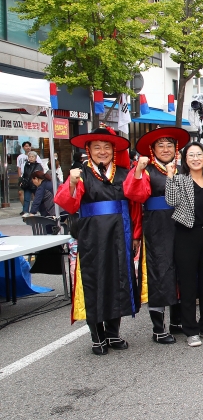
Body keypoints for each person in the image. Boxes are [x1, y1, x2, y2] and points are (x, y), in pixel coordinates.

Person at [54, 128, 141, 355]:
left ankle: (113, 333)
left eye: (107, 147)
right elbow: (68, 203)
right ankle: (97, 335)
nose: (102, 152)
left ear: (114, 150)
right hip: (92, 238)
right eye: (97, 147)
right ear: (88, 150)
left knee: (118, 281)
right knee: (94, 282)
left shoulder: (124, 173)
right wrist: (72, 184)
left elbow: (134, 206)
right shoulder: (80, 174)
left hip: (120, 235)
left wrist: (135, 236)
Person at [123, 127, 191, 344]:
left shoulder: (184, 169)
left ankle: (177, 321)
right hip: (156, 227)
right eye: (160, 145)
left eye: (169, 145)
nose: (165, 149)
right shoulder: (146, 171)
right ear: (152, 149)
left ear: (176, 148)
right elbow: (135, 196)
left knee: (181, 270)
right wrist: (137, 171)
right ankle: (158, 328)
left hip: (181, 225)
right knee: (159, 272)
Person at [163, 142, 203, 347]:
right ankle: (190, 329)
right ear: (185, 159)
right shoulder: (180, 179)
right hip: (186, 236)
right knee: (188, 284)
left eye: (199, 154)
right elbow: (171, 201)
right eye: (191, 155)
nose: (196, 158)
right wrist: (170, 176)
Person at [17, 142, 42, 215]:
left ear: (35, 158)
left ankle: (39, 210)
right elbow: (24, 174)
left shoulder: (38, 165)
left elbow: (39, 174)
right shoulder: (26, 165)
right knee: (27, 199)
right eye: (29, 157)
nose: (30, 158)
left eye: (32, 157)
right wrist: (22, 180)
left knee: (37, 198)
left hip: (35, 184)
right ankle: (25, 211)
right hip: (27, 184)